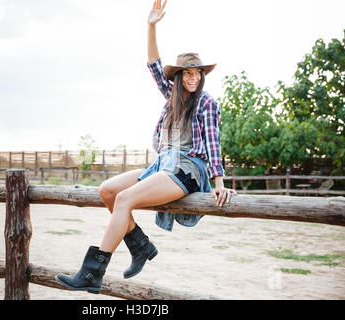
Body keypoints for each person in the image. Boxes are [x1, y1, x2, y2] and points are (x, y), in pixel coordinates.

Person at [55, 0, 237, 294]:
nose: (193, 77)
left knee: (125, 199)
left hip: (188, 169)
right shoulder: (172, 97)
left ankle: (91, 274)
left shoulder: (206, 103)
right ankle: (140, 246)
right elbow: (153, 64)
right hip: (163, 165)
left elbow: (214, 143)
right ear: (178, 76)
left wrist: (219, 182)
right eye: (188, 73)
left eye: (198, 72)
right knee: (108, 191)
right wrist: (151, 25)